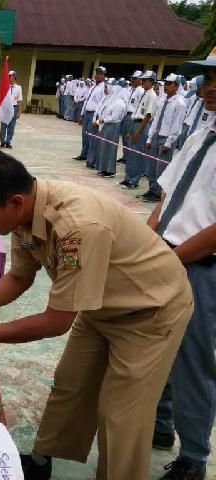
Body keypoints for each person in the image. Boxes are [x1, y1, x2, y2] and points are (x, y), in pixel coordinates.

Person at [0, 151, 193, 479]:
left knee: (121, 414)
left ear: (15, 202)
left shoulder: (76, 227)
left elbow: (56, 322)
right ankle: (42, 461)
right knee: (70, 385)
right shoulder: (23, 215)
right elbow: (19, 277)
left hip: (150, 310)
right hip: (100, 305)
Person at [148, 51, 216, 480]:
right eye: (207, 79)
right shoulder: (201, 135)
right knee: (159, 344)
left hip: (201, 267)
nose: (211, 88)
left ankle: (193, 458)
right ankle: (160, 422)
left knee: (194, 361)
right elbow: (167, 196)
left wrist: (169, 260)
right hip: (167, 254)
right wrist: (145, 246)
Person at [142, 73, 186, 203]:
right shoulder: (162, 100)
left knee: (161, 168)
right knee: (151, 166)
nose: (166, 86)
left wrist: (169, 141)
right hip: (156, 135)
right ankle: (152, 189)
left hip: (166, 138)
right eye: (165, 83)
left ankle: (158, 193)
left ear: (176, 86)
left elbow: (177, 124)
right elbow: (156, 120)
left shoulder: (180, 103)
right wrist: (150, 138)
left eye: (169, 84)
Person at [119, 70, 157, 190]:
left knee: (137, 155)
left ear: (151, 82)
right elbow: (136, 113)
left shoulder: (152, 95)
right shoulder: (144, 93)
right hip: (135, 123)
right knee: (130, 154)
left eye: (145, 80)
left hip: (141, 126)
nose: (143, 82)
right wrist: (130, 131)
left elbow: (148, 115)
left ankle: (133, 180)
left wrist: (138, 131)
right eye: (143, 79)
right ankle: (128, 178)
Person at [94, 79, 127, 178]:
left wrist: (102, 120)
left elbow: (114, 118)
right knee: (104, 148)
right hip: (106, 126)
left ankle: (110, 170)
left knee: (110, 149)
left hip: (112, 127)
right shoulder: (112, 100)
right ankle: (103, 168)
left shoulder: (120, 103)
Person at [74, 67, 106, 163]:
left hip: (94, 114)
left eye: (100, 73)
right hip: (87, 113)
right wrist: (82, 114)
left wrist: (98, 118)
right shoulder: (92, 87)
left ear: (104, 75)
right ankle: (84, 153)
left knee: (92, 136)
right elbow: (86, 101)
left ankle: (90, 157)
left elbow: (103, 104)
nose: (97, 75)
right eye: (96, 73)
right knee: (85, 135)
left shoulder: (104, 88)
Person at [118, 71, 144, 164]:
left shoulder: (141, 91)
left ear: (140, 80)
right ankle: (125, 156)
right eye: (132, 78)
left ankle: (129, 157)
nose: (132, 80)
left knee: (130, 137)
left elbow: (139, 107)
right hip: (126, 114)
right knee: (124, 137)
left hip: (133, 115)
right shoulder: (130, 89)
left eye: (134, 78)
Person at [0, 70, 22, 149]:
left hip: (13, 107)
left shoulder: (18, 87)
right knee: (3, 125)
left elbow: (19, 100)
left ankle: (8, 142)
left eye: (9, 76)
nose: (8, 77)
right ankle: (2, 142)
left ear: (14, 77)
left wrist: (19, 111)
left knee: (11, 126)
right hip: (5, 107)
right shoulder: (5, 86)